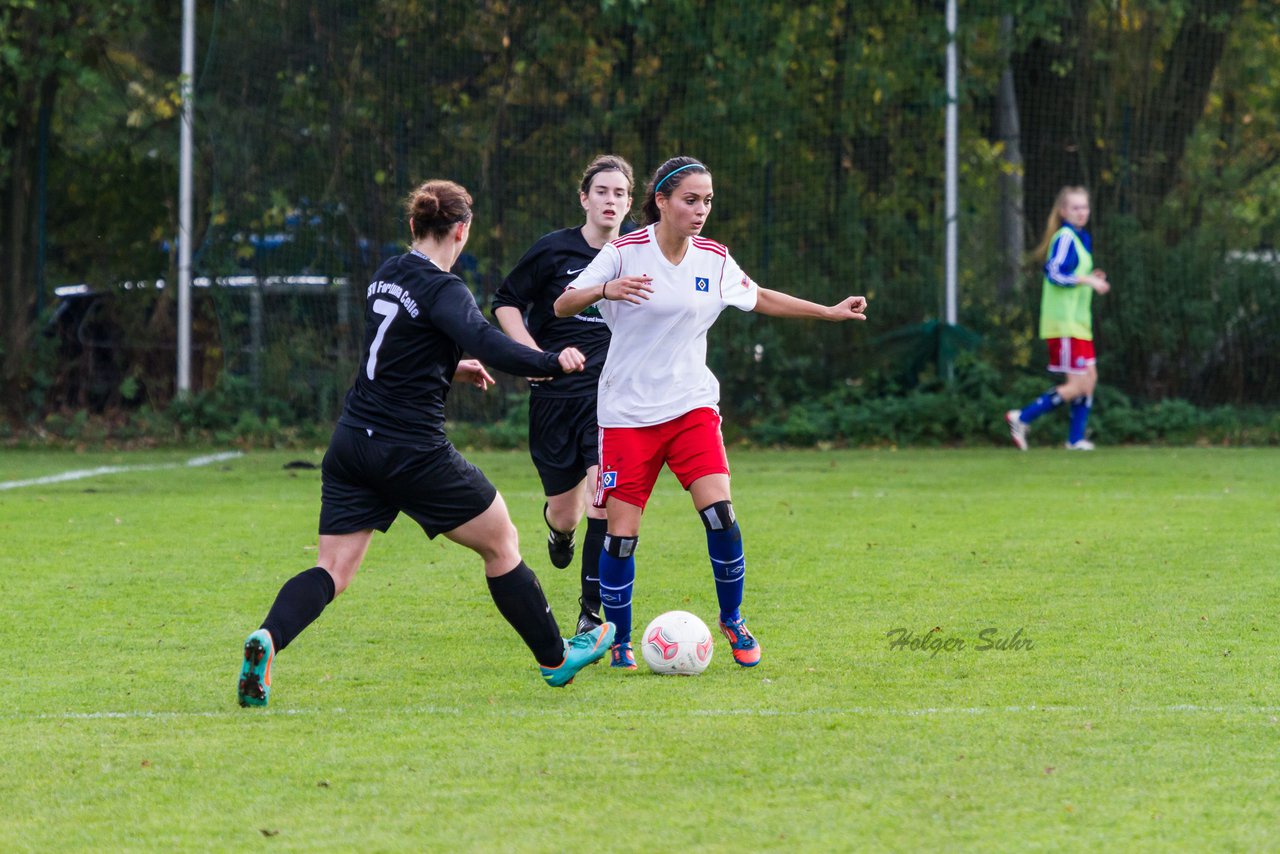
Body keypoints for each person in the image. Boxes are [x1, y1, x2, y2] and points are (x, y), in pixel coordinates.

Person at [236, 179, 615, 706]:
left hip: (352, 443)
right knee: (501, 542)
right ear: (462, 231)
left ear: (415, 226)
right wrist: (551, 361)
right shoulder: (445, 289)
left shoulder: (389, 274)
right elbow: (486, 339)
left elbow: (393, 348)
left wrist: (449, 368)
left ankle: (268, 639)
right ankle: (555, 659)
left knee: (333, 569)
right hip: (410, 450)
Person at [552, 156, 868, 670]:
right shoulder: (624, 251)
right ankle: (622, 640)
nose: (701, 211)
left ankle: (733, 618)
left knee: (720, 513)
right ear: (661, 201)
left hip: (690, 407)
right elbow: (564, 304)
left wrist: (827, 311)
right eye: (690, 200)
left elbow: (759, 296)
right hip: (628, 415)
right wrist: (606, 288)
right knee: (622, 536)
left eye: (707, 201)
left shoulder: (714, 259)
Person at [493, 154, 634, 637]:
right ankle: (559, 532)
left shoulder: (641, 253)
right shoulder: (553, 250)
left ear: (630, 202)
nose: (610, 200)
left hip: (611, 400)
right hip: (554, 399)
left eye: (619, 193)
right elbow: (505, 302)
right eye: (602, 192)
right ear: (584, 198)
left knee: (604, 499)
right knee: (567, 510)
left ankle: (591, 612)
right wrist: (535, 358)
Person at [1006, 186, 1112, 451]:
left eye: (1084, 207)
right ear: (1063, 211)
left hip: (1079, 323)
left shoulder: (1081, 238)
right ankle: (1022, 417)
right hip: (1063, 323)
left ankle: (1074, 439)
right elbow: (1053, 273)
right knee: (1078, 384)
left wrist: (1090, 278)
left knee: (1090, 380)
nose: (1081, 213)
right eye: (1075, 208)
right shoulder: (1064, 237)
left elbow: (1073, 275)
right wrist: (1084, 279)